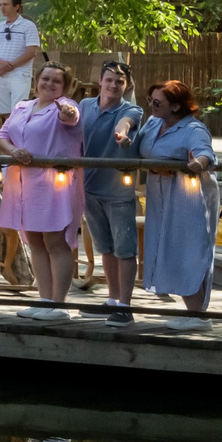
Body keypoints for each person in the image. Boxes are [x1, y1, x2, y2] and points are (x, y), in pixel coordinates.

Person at [0, 63, 84, 311]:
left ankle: (59, 303)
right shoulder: (22, 107)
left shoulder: (66, 106)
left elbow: (71, 118)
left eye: (56, 81)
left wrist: (68, 112)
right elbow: (1, 136)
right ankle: (44, 300)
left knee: (55, 242)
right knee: (35, 242)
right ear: (36, 81)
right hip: (24, 185)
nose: (49, 84)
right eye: (45, 78)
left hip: (53, 185)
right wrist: (14, 150)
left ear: (65, 86)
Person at [132, 78, 218, 328]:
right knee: (166, 248)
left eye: (157, 102)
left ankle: (198, 315)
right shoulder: (153, 122)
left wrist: (196, 163)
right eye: (150, 100)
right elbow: (138, 146)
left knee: (187, 250)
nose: (152, 105)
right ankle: (192, 312)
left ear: (176, 106)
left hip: (187, 197)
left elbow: (205, 153)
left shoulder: (193, 129)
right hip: (158, 195)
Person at [76, 62, 144, 321]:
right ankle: (112, 299)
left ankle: (125, 307)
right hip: (88, 188)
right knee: (105, 248)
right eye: (110, 80)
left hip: (117, 191)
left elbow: (125, 124)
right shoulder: (84, 106)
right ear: (100, 81)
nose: (114, 85)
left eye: (120, 81)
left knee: (124, 250)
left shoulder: (132, 109)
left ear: (127, 85)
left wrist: (122, 135)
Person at [0, 0, 44, 117]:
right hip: (0, 74)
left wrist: (9, 66)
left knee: (18, 110)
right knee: (3, 112)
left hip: (19, 75)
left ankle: (17, 131)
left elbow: (31, 52)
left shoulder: (28, 26)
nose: (2, 8)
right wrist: (0, 63)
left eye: (6, 4)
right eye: (0, 4)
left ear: (16, 6)